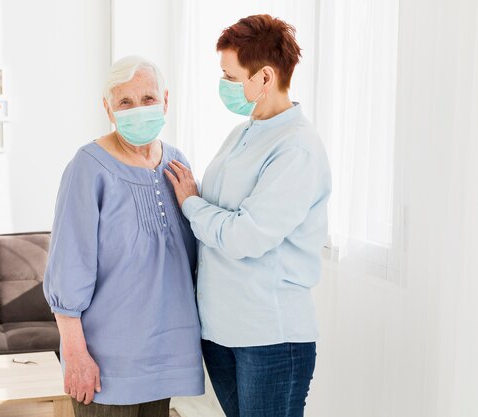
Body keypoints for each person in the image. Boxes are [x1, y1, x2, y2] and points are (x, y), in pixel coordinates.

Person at [165, 14, 332, 417]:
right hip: (222, 331)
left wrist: (190, 204)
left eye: (230, 76)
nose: (223, 85)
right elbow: (221, 215)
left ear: (264, 77)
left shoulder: (296, 148)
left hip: (270, 336)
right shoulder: (242, 133)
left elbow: (246, 235)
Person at [43, 55, 204, 417]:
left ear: (165, 100)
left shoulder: (177, 165)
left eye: (147, 99)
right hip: (106, 366)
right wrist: (75, 355)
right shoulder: (88, 167)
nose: (138, 110)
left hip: (166, 359)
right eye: (125, 102)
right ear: (108, 108)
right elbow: (68, 268)